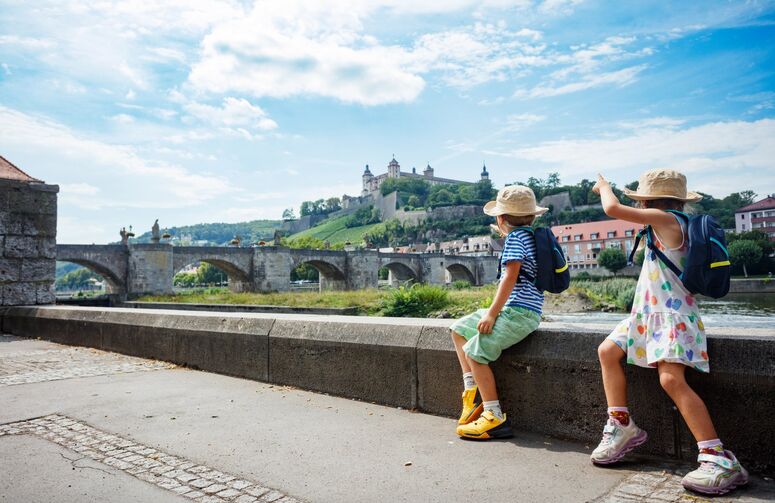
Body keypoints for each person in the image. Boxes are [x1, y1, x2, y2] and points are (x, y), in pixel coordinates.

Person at [590, 169, 748, 495]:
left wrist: (604, 186)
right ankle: (621, 425)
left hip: (671, 316)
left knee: (671, 380)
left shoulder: (666, 219)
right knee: (608, 351)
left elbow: (612, 209)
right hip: (648, 315)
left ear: (646, 201)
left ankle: (718, 458)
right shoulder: (665, 222)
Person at [450, 185, 547, 440]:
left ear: (500, 219)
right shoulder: (532, 237)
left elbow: (509, 277)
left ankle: (493, 416)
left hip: (518, 313)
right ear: (532, 216)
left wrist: (491, 314)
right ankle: (472, 392)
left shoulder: (515, 239)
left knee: (474, 352)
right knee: (459, 329)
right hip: (517, 310)